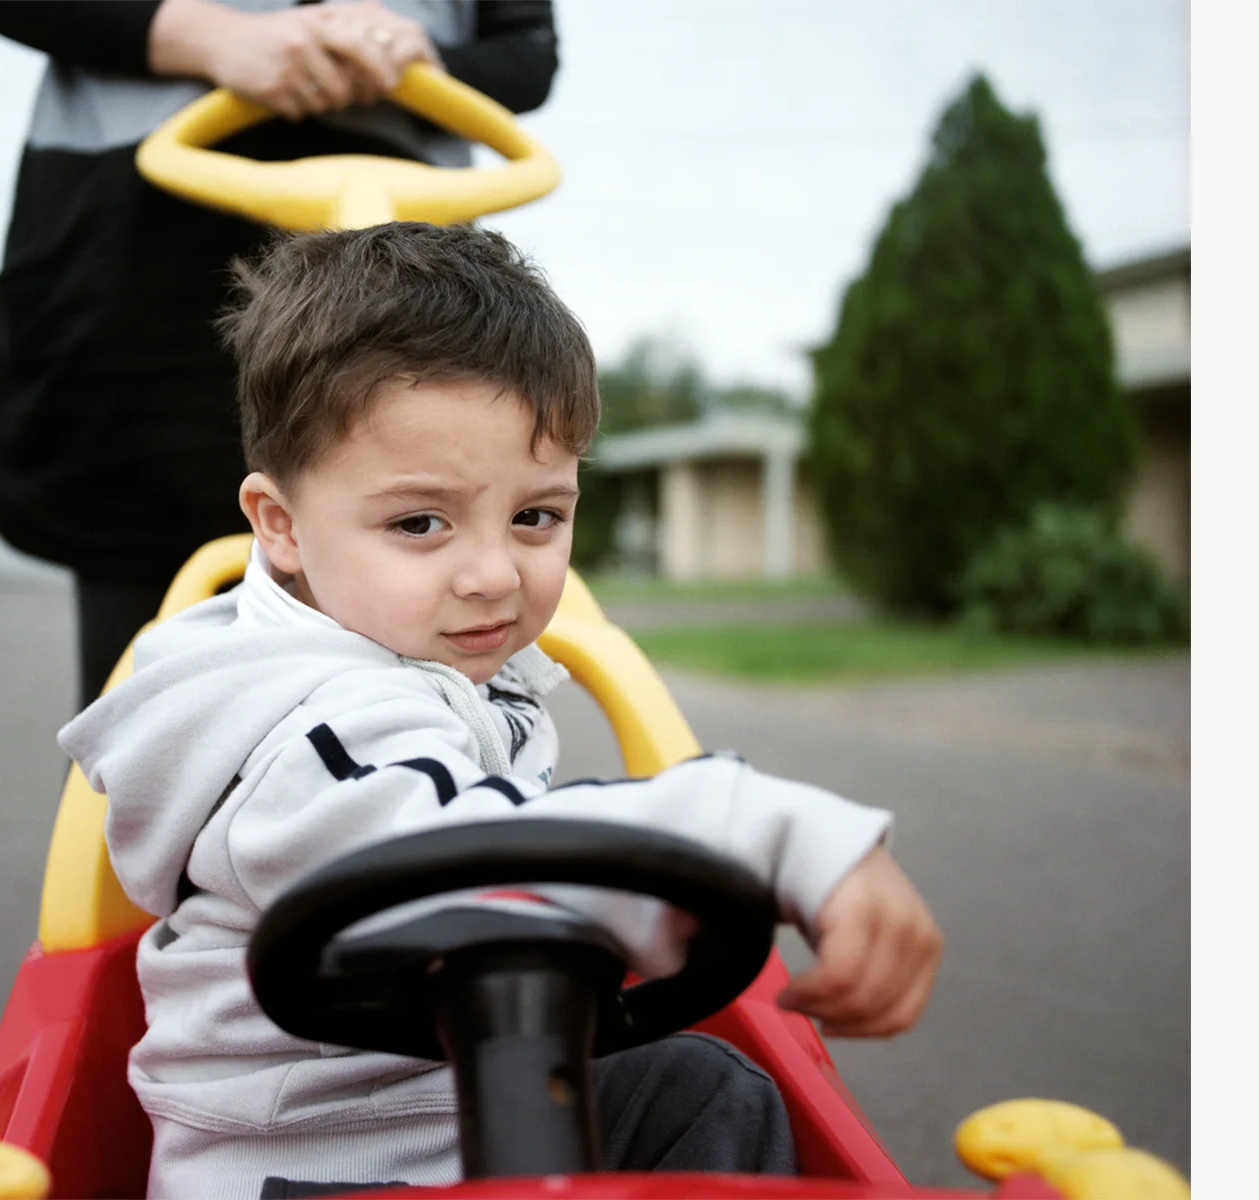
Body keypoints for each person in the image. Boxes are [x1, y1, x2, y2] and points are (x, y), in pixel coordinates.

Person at [58, 222, 944, 1199]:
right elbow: (463, 858)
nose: (492, 575)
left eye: (536, 515)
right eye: (420, 522)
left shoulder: (433, 659)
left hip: (446, 1100)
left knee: (707, 1090)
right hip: (312, 1164)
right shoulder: (298, 730)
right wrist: (757, 830)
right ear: (281, 527)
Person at [0, 0, 561, 709]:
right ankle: (149, 791)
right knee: (141, 597)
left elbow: (527, 51)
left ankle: (431, 782)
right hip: (143, 231)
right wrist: (215, 39)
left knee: (430, 520)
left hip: (406, 245)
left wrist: (412, 54)